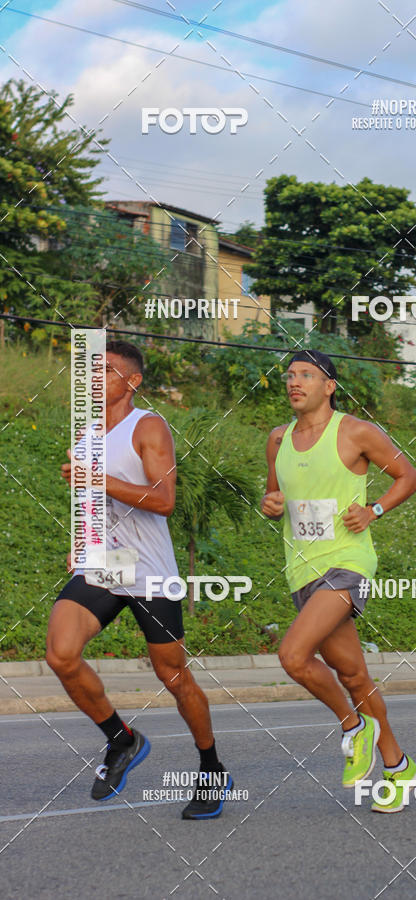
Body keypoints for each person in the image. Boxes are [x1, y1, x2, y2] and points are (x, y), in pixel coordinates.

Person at [46, 340, 232, 819]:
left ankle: (211, 766)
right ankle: (121, 739)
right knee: (61, 653)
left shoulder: (148, 426)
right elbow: (94, 505)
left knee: (172, 675)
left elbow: (163, 497)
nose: (93, 378)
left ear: (132, 381)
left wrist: (98, 478)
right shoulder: (87, 434)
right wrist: (82, 543)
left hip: (150, 569)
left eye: (105, 370)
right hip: (108, 565)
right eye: (89, 371)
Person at [261, 349, 416, 813]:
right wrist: (270, 504)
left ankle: (354, 728)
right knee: (354, 674)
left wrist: (373, 510)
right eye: (290, 375)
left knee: (293, 656)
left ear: (329, 386)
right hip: (302, 569)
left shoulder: (355, 431)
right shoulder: (277, 439)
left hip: (347, 562)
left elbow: (407, 477)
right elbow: (274, 496)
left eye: (307, 375)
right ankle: (398, 767)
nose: (295, 382)